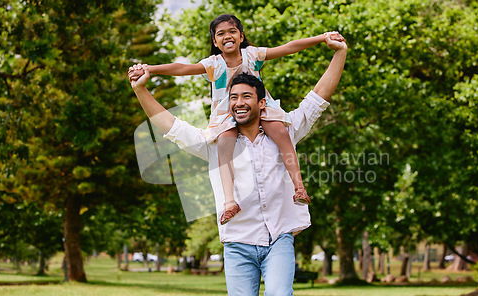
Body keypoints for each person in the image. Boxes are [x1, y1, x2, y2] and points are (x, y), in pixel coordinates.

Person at [129, 30, 347, 296]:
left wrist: (339, 52)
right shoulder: (215, 144)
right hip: (238, 244)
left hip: (279, 238)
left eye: (246, 96)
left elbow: (318, 98)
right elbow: (171, 127)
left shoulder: (285, 132)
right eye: (233, 97)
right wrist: (141, 90)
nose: (239, 102)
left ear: (261, 103)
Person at [129, 14, 332, 225]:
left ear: (241, 36)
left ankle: (299, 187)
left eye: (232, 31)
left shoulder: (253, 55)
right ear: (215, 42)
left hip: (260, 106)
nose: (227, 36)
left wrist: (322, 37)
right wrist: (150, 69)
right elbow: (182, 68)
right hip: (226, 113)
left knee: (281, 133)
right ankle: (229, 202)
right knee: (224, 147)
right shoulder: (213, 64)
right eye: (221, 34)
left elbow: (288, 47)